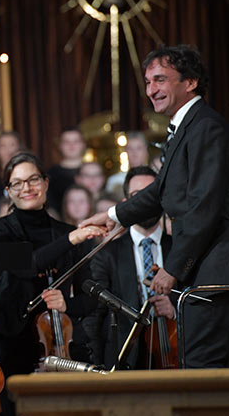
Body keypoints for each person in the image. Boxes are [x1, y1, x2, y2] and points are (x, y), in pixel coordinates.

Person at [81, 45, 229, 368]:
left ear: (189, 82)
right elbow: (159, 192)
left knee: (205, 372)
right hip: (200, 272)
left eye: (160, 80)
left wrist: (173, 268)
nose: (151, 91)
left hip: (214, 275)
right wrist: (111, 215)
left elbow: (205, 208)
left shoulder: (206, 128)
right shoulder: (185, 128)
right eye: (148, 83)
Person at [0, 153, 103, 415]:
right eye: (17, 183)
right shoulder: (0, 232)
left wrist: (67, 305)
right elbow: (27, 264)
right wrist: (71, 239)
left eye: (33, 179)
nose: (26, 188)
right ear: (8, 191)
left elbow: (90, 298)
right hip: (13, 344)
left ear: (46, 183)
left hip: (61, 345)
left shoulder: (66, 233)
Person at [83, 166, 175, 369]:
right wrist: (96, 366)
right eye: (137, 196)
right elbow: (95, 315)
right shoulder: (107, 254)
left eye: (150, 195)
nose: (145, 203)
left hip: (175, 353)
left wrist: (175, 309)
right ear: (126, 204)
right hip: (124, 359)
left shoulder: (180, 248)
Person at [46, 129, 86, 215]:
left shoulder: (94, 171)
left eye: (76, 141)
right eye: (66, 142)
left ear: (83, 144)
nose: (72, 145)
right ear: (60, 146)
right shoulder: (50, 174)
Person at [105, 132, 150, 197]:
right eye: (130, 148)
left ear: (146, 150)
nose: (134, 153)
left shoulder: (157, 178)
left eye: (139, 148)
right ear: (126, 151)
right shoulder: (115, 181)